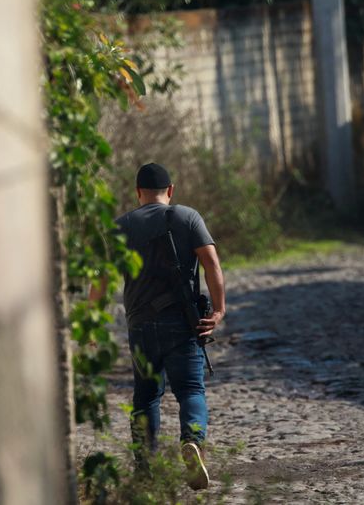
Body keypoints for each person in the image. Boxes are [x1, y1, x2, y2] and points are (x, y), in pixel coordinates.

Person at [105, 162, 226, 490]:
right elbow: (211, 262)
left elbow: (101, 275)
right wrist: (218, 311)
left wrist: (93, 315)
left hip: (140, 326)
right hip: (182, 324)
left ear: (137, 193)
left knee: (145, 397)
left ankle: (145, 469)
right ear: (170, 191)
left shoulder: (122, 225)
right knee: (190, 390)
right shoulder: (187, 217)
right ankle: (192, 442)